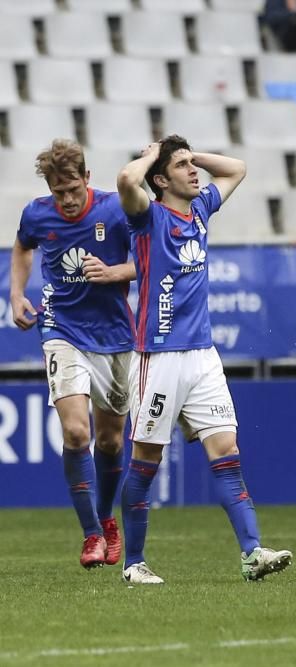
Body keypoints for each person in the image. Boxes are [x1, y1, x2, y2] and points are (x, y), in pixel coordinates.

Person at [115, 136, 292, 584]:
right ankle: (133, 563)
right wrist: (153, 154)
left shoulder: (199, 209)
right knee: (146, 461)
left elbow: (236, 168)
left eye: (193, 165)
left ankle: (253, 553)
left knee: (227, 451)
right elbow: (125, 178)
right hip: (158, 357)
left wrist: (187, 153)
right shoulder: (147, 217)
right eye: (183, 167)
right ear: (160, 179)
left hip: (202, 355)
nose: (195, 172)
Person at [9, 139, 135, 569]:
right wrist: (16, 293)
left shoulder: (117, 210)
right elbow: (23, 246)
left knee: (110, 439)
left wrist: (115, 272)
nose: (65, 200)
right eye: (57, 192)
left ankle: (106, 518)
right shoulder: (36, 214)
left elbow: (154, 257)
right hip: (61, 329)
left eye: (73, 191)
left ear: (87, 178)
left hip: (116, 336)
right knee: (77, 434)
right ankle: (91, 535)